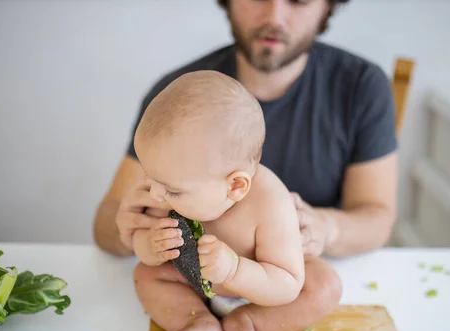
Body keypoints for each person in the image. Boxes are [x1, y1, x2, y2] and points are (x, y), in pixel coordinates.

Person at [93, 0, 398, 262]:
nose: (273, 17)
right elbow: (105, 223)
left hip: (304, 272)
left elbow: (378, 220)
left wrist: (325, 228)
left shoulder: (361, 87)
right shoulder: (179, 98)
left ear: (327, 7)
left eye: (298, 0)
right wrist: (129, 233)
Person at [132, 70, 308, 331]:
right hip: (193, 285)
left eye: (172, 190)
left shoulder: (270, 202)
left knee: (324, 286)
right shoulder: (168, 180)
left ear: (235, 186)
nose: (155, 193)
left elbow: (288, 282)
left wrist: (234, 271)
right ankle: (200, 322)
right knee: (145, 274)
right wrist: (148, 246)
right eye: (150, 176)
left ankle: (249, 320)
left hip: (259, 294)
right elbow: (141, 239)